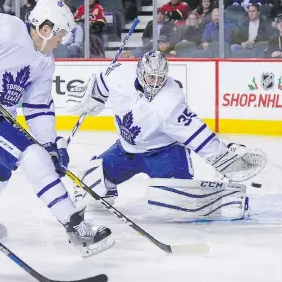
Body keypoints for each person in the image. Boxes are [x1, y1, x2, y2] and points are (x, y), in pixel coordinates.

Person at [0, 0, 114, 257]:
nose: (63, 40)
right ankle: (75, 225)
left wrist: (50, 146)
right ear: (46, 28)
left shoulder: (45, 61)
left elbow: (38, 108)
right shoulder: (9, 28)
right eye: (61, 33)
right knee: (31, 155)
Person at [66, 50, 266, 222]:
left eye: (160, 78)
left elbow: (198, 134)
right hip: (126, 151)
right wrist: (95, 96)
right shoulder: (119, 75)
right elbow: (102, 80)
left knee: (172, 204)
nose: (155, 83)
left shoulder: (170, 101)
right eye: (151, 77)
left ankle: (224, 198)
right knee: (87, 188)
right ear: (141, 72)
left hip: (165, 154)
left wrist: (227, 160)